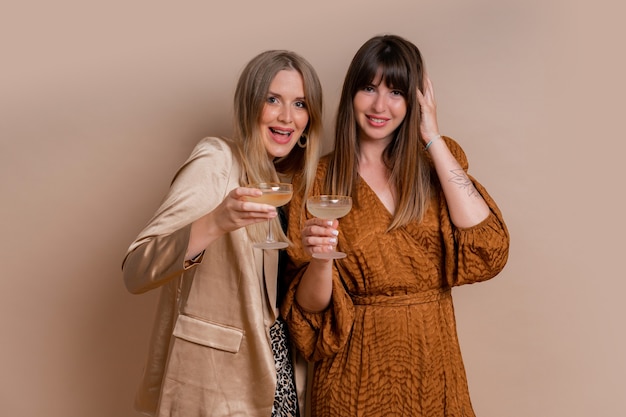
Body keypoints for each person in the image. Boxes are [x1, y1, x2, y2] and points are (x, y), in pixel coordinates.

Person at [281, 34, 510, 416]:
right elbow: (308, 313)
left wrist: (432, 137)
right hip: (352, 373)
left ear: (415, 101)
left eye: (396, 92)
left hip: (433, 363)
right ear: (351, 94)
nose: (379, 105)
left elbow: (488, 247)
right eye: (369, 88)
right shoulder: (316, 182)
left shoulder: (434, 168)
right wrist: (321, 261)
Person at [122, 50, 323, 417]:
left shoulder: (287, 185)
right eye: (272, 99)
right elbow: (136, 270)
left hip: (280, 375)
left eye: (300, 104)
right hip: (217, 383)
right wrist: (216, 222)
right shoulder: (217, 160)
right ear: (250, 104)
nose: (286, 117)